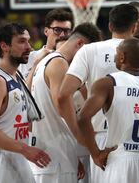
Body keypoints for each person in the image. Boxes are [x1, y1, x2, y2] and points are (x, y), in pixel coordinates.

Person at [57, 4, 139, 183]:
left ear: (109, 26)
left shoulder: (89, 50)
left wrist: (81, 138)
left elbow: (63, 95)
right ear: (134, 27)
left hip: (102, 140)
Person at [78, 37, 139, 183]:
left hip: (120, 159)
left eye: (117, 53)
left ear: (122, 57)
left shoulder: (107, 83)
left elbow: (83, 118)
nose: (115, 56)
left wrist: (95, 154)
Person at [30, 23, 101, 183]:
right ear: (80, 44)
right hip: (56, 158)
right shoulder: (59, 63)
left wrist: (74, 157)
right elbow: (61, 105)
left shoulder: (44, 61)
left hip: (49, 155)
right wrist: (82, 138)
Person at [0, 23, 51, 183]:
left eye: (28, 41)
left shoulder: (15, 76)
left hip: (16, 155)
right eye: (21, 41)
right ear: (4, 46)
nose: (29, 47)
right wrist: (25, 149)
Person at [19, 8, 74, 78]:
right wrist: (36, 65)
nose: (62, 35)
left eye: (67, 31)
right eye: (57, 30)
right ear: (46, 31)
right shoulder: (29, 58)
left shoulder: (76, 60)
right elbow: (21, 88)